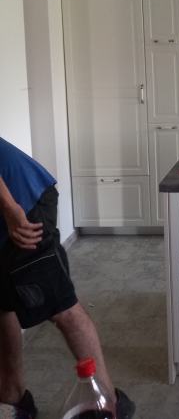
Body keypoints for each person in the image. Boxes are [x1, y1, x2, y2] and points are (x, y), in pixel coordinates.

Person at [0, 136, 135, 418]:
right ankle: (13, 396)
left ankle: (108, 404)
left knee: (61, 307)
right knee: (2, 305)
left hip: (21, 204)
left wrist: (11, 208)